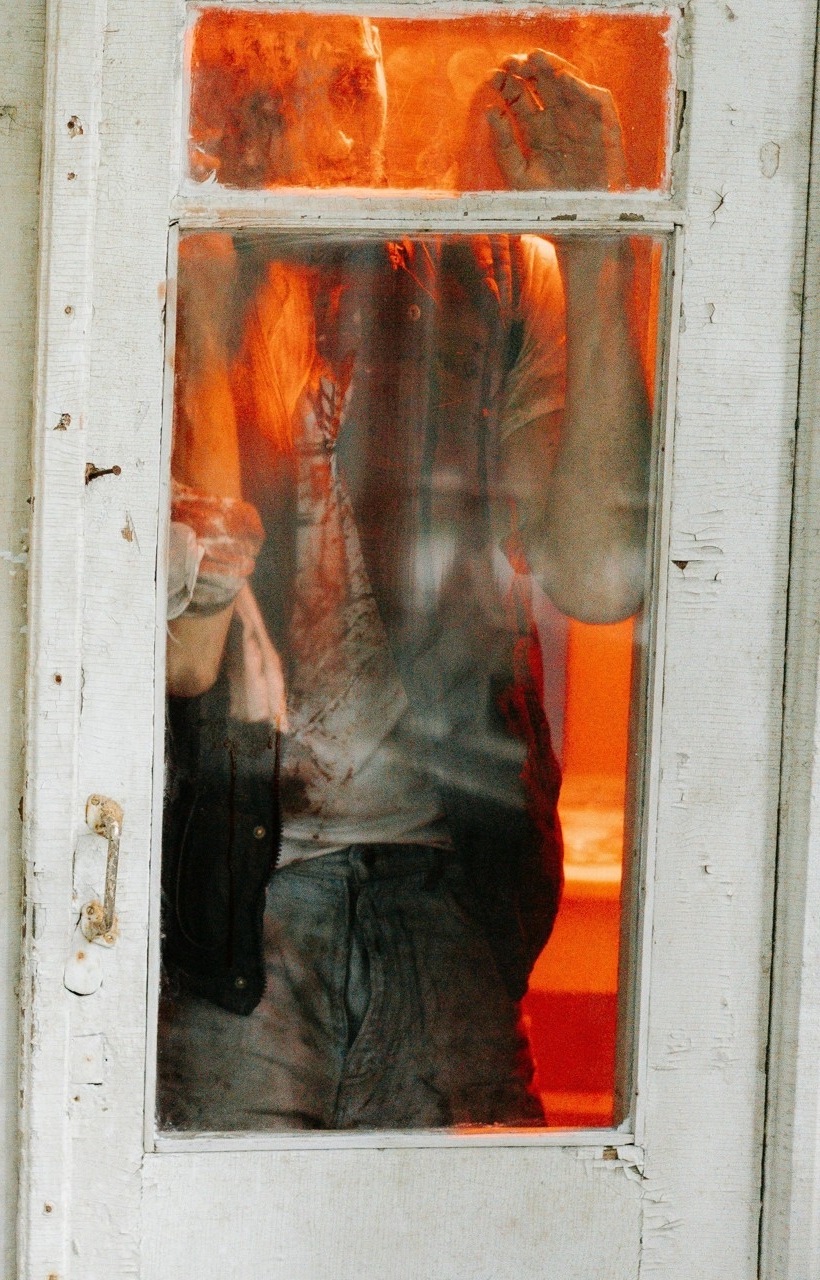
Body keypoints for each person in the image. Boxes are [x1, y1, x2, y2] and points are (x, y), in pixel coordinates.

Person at [160, 22, 652, 1129]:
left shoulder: (483, 269)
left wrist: (599, 242)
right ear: (221, 111)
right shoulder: (172, 279)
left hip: (448, 884)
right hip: (224, 891)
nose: (339, 132)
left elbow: (602, 566)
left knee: (469, 1234)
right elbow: (139, 624)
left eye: (354, 84)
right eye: (272, 92)